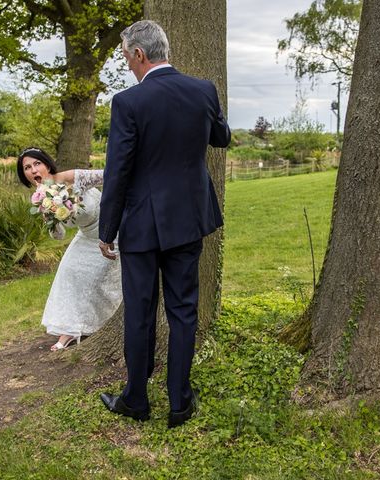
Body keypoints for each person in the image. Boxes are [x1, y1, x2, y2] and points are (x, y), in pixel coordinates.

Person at [98, 20, 231, 428]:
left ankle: (136, 400)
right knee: (183, 311)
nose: (127, 66)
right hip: (188, 221)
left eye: (125, 57)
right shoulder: (203, 90)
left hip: (140, 225)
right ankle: (180, 403)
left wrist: (107, 229)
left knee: (139, 312)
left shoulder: (128, 102)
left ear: (139, 54)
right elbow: (222, 138)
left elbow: (117, 170)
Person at [16, 147, 122, 351]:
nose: (33, 170)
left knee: (99, 279)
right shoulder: (42, 198)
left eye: (37, 163)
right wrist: (49, 214)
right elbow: (59, 236)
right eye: (27, 168)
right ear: (25, 175)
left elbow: (110, 176)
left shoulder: (73, 177)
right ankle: (70, 330)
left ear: (46, 164)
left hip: (112, 229)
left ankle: (103, 319)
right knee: (68, 272)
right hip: (87, 235)